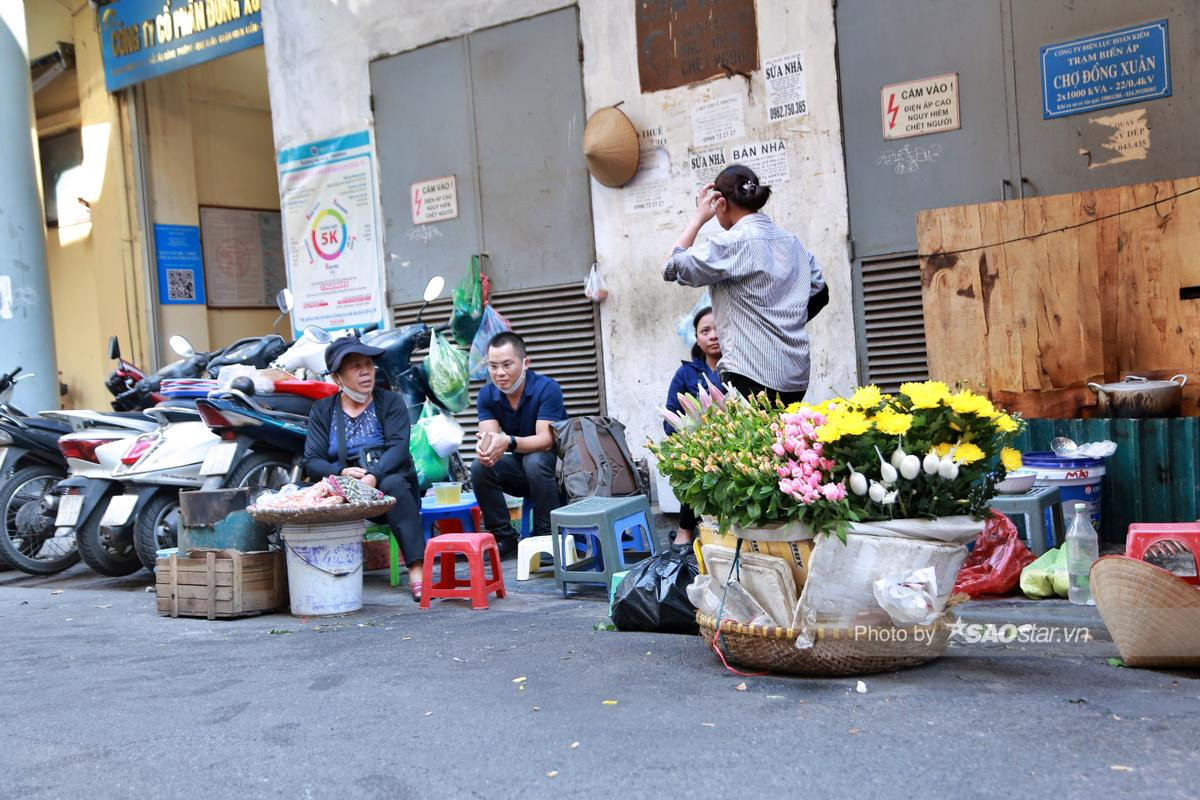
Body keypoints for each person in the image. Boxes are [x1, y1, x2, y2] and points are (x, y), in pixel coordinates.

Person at [662, 164, 829, 406]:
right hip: (796, 375)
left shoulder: (731, 244)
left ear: (720, 203)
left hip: (750, 373)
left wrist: (698, 218)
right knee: (785, 442)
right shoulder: (792, 242)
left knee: (753, 443)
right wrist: (783, 321)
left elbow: (670, 267)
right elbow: (820, 292)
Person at [302, 337, 425, 599]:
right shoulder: (323, 410)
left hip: (384, 485)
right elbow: (312, 459)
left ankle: (417, 569)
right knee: (307, 496)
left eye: (368, 364)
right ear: (337, 377)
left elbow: (399, 448)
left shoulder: (390, 402)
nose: (365, 371)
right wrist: (341, 474)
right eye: (355, 366)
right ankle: (321, 574)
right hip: (342, 489)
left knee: (395, 486)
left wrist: (373, 476)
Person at [470, 331, 567, 556]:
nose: (499, 373)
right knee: (480, 466)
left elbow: (546, 440)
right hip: (523, 470)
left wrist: (509, 442)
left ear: (525, 363)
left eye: (507, 364)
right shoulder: (487, 395)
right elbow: (490, 439)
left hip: (557, 470)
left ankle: (546, 536)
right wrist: (484, 450)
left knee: (536, 460)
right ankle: (504, 538)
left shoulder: (547, 388)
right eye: (493, 366)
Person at [664, 306, 724, 546]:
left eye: (718, 328)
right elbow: (669, 421)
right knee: (696, 462)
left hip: (735, 441)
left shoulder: (741, 367)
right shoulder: (685, 374)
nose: (713, 335)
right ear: (697, 339)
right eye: (705, 330)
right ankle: (685, 530)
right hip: (699, 446)